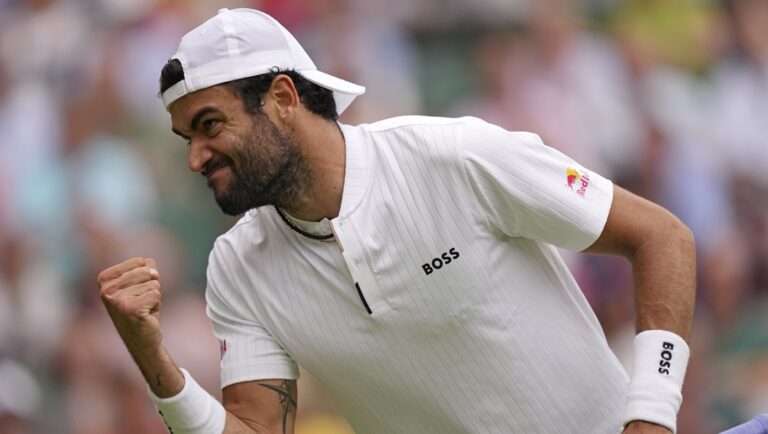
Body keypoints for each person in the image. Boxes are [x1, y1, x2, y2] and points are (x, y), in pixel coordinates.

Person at [97, 8, 696, 434]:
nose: (195, 157)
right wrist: (156, 362)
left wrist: (650, 415)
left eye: (208, 125)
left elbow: (662, 237)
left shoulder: (452, 155)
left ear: (282, 98)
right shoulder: (236, 268)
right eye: (185, 138)